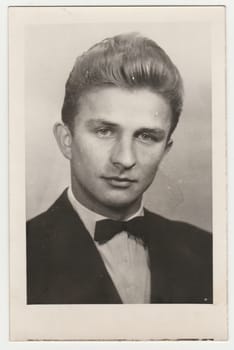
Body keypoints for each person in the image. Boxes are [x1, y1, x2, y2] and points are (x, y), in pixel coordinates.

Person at [26, 33, 212, 304]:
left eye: (146, 136)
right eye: (104, 131)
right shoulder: (15, 254)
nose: (125, 159)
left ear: (165, 150)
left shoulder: (209, 252)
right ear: (66, 141)